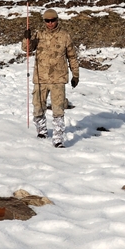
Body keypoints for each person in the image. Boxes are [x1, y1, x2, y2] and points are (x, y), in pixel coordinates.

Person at [23, 8, 79, 148]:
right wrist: (27, 38)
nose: (50, 23)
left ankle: (58, 138)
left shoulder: (65, 36)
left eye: (52, 20)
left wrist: (75, 75)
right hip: (40, 79)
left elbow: (72, 57)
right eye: (47, 21)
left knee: (58, 109)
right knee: (38, 107)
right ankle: (42, 131)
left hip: (58, 79)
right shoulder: (38, 35)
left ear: (57, 20)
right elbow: (27, 49)